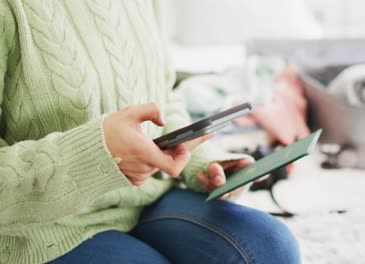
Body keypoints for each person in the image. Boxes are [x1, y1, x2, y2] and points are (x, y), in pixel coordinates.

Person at [0, 0, 300, 263]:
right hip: (37, 230)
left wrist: (199, 159)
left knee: (271, 247)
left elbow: (163, 94)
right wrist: (97, 155)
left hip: (145, 197)